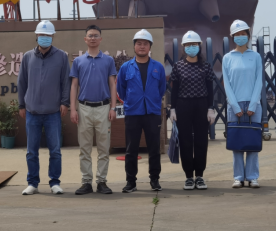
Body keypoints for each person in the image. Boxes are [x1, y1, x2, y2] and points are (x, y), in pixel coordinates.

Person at [17, 20, 70, 195]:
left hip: (53, 112)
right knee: (31, 151)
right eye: (41, 35)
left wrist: (64, 103)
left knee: (55, 150)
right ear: (36, 36)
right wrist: (21, 104)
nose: (44, 38)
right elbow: (22, 82)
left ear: (53, 36)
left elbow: (65, 82)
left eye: (47, 35)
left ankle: (55, 182)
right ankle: (32, 183)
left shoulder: (61, 56)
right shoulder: (28, 57)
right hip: (32, 111)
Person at [117, 29, 166, 193]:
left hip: (152, 113)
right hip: (133, 113)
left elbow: (161, 89)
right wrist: (132, 101)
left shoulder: (158, 67)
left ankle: (155, 180)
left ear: (150, 46)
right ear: (134, 46)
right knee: (131, 149)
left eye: (145, 44)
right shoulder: (126, 67)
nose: (142, 46)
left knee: (154, 148)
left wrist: (152, 100)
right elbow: (121, 89)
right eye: (139, 43)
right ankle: (131, 181)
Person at [70, 25, 117, 195]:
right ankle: (86, 182)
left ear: (100, 39)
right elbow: (74, 86)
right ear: (85, 39)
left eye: (96, 35)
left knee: (104, 148)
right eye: (90, 35)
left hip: (104, 108)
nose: (93, 38)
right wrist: (73, 109)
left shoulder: (108, 60)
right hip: (84, 108)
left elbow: (112, 85)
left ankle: (102, 181)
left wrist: (113, 107)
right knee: (85, 148)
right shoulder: (78, 61)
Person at [169, 31, 216, 190]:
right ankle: (189, 176)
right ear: (183, 47)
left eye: (194, 44)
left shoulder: (206, 66)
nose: (191, 47)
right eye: (188, 45)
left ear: (199, 46)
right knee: (185, 141)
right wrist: (173, 108)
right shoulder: (178, 66)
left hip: (201, 104)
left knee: (201, 140)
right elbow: (174, 90)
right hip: (183, 105)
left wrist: (210, 108)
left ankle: (200, 175)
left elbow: (210, 89)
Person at [222, 19, 263, 189]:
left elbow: (259, 81)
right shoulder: (227, 58)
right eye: (237, 34)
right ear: (232, 37)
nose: (240, 37)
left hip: (254, 104)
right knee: (237, 143)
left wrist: (253, 105)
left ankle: (252, 177)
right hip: (235, 105)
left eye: (243, 34)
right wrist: (235, 106)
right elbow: (227, 84)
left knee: (253, 142)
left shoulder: (256, 56)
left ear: (248, 35)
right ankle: (238, 177)